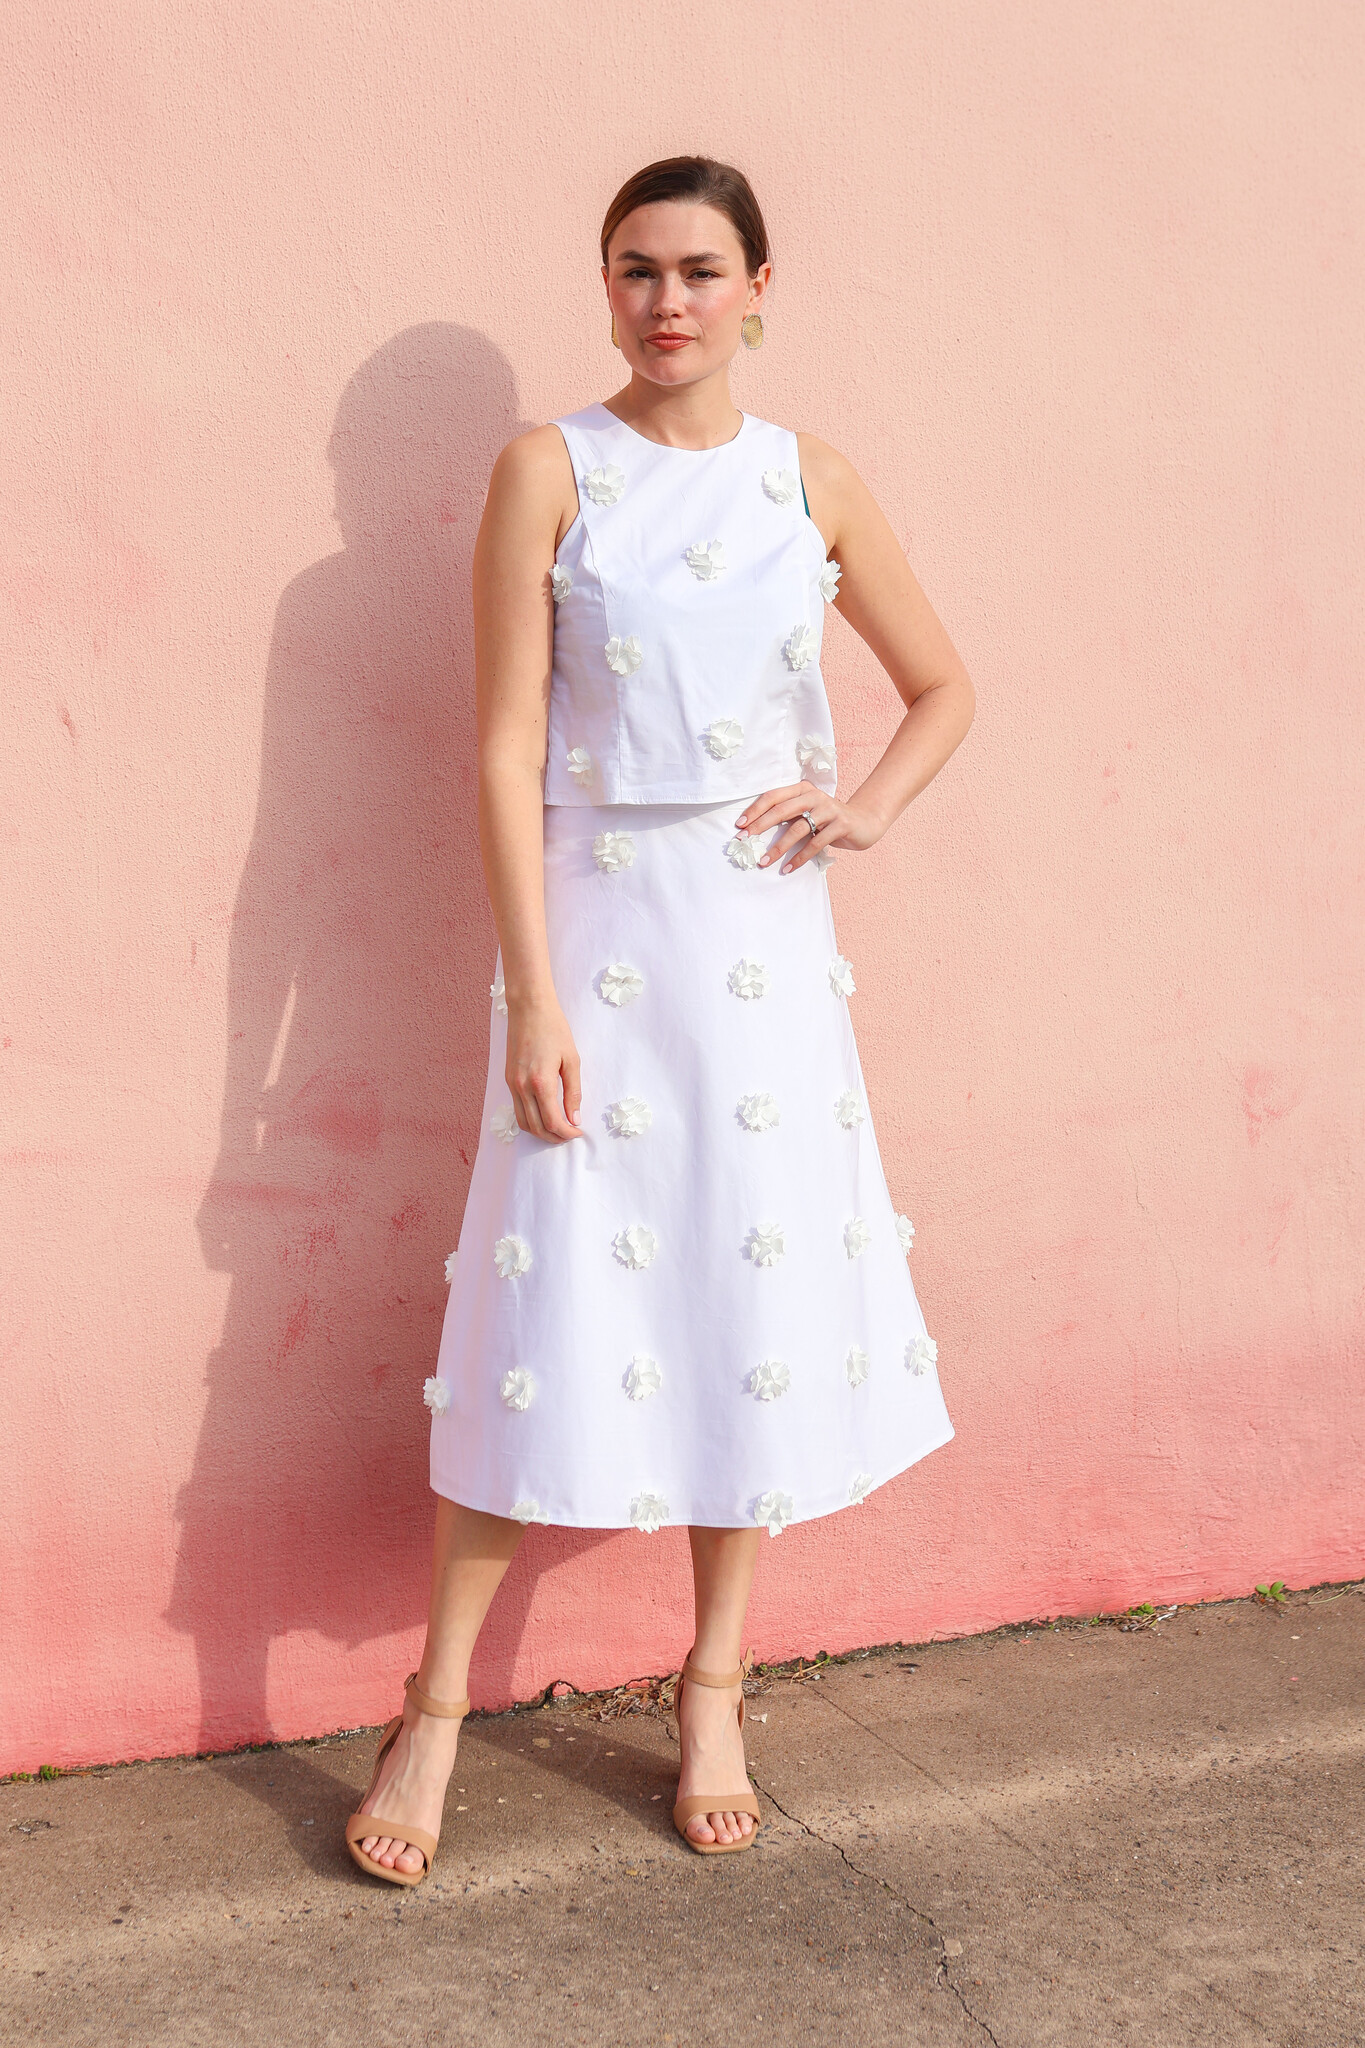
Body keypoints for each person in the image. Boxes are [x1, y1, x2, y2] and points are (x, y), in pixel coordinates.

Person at [347, 154, 975, 1884]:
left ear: (758, 287)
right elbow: (502, 749)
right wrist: (533, 995)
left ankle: (712, 1690)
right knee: (542, 1295)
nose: (666, 300)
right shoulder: (549, 470)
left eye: (699, 270)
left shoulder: (809, 479)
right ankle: (433, 1711)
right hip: (600, 938)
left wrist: (865, 807)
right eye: (636, 269)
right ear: (607, 287)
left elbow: (942, 687)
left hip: (760, 949)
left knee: (741, 1290)